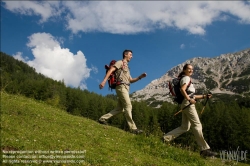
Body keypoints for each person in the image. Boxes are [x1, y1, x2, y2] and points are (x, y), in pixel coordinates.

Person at [163, 64, 217, 157]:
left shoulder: (185, 78)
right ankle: (204, 149)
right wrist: (189, 99)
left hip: (185, 103)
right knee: (197, 124)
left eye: (192, 69)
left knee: (185, 127)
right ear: (184, 70)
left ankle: (165, 138)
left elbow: (192, 95)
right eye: (189, 69)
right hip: (188, 104)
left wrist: (204, 96)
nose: (191, 70)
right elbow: (182, 90)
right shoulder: (186, 78)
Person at [98, 49, 147, 134]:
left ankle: (102, 119)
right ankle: (133, 129)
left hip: (126, 88)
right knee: (128, 106)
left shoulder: (127, 67)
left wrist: (140, 77)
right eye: (130, 55)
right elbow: (111, 70)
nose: (132, 56)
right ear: (125, 54)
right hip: (121, 87)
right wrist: (104, 81)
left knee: (120, 109)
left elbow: (130, 80)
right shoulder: (120, 62)